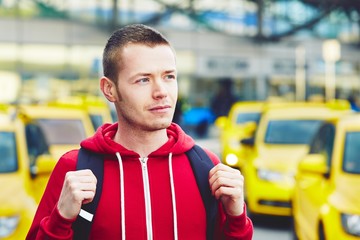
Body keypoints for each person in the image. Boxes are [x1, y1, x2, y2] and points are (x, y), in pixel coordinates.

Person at [26, 24, 253, 240]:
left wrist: (237, 217)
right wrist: (61, 218)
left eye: (169, 77)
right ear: (109, 89)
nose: (161, 92)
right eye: (143, 80)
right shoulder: (75, 168)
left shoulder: (205, 166)